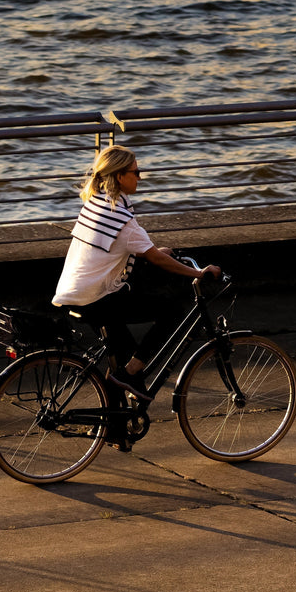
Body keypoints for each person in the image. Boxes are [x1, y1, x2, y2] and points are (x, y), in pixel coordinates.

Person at [52, 144, 220, 402]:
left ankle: (116, 427)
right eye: (136, 171)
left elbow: (125, 248)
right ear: (120, 176)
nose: (140, 177)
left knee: (121, 358)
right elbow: (153, 257)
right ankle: (130, 374)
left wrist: (153, 252)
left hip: (74, 292)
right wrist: (197, 274)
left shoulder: (98, 203)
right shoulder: (121, 218)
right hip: (96, 297)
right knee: (172, 311)